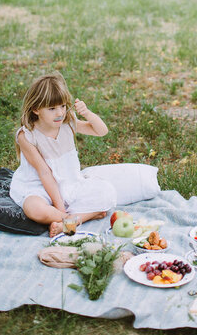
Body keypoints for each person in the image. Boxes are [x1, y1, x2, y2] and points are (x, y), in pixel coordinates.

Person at [10, 73, 117, 237]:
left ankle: (69, 221)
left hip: (69, 183)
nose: (59, 113)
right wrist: (60, 209)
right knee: (35, 209)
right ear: (36, 109)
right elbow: (44, 172)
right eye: (52, 108)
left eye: (62, 106)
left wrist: (87, 113)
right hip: (39, 187)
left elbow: (101, 131)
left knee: (107, 193)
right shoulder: (27, 136)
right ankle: (73, 220)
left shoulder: (67, 123)